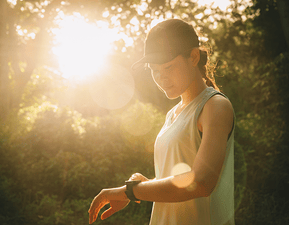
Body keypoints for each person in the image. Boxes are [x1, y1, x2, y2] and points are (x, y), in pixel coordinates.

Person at [88, 19, 235, 225]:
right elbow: (179, 180)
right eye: (154, 70)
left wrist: (130, 192)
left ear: (193, 57)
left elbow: (202, 182)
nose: (161, 77)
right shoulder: (173, 114)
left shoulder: (214, 106)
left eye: (168, 67)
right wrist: (147, 184)